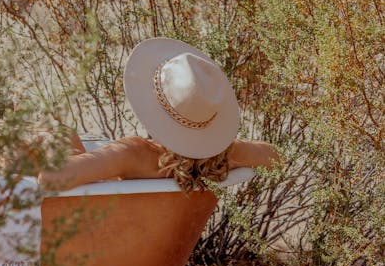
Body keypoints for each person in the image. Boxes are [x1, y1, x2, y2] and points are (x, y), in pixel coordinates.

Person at [39, 37, 280, 192]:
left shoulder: (133, 154)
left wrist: (58, 137)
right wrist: (225, 150)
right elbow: (275, 156)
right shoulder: (223, 157)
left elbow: (51, 178)